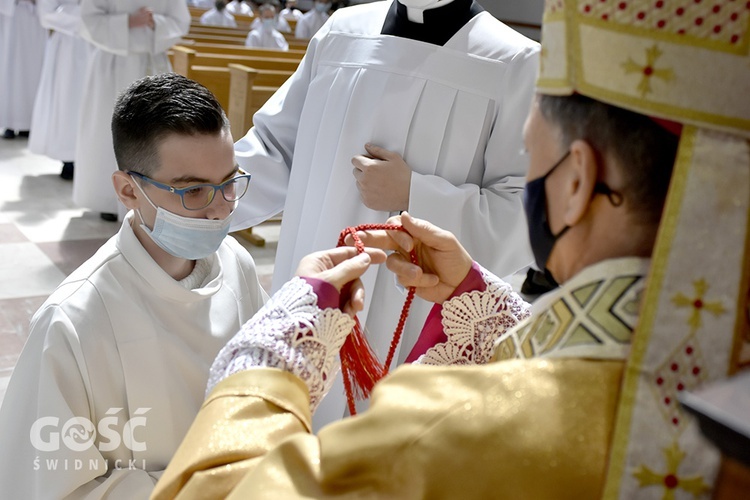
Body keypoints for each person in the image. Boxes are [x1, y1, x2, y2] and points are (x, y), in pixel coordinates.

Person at [151, 0, 750, 496]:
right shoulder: (719, 398)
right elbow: (279, 151)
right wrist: (492, 317)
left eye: (532, 141)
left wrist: (279, 343)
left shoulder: (439, 425)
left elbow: (217, 491)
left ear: (577, 181)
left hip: (391, 311)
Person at [232, 0, 539, 427]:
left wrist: (416, 193)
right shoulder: (342, 31)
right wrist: (201, 194)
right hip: (321, 274)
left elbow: (522, 210)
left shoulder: (515, 60)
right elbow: (276, 147)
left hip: (415, 303)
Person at [0, 73, 269, 498]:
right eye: (193, 191)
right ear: (128, 190)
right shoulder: (71, 322)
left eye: (229, 183)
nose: (220, 210)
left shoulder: (236, 263)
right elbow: (48, 486)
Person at [73, 0, 190, 222]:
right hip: (112, 61)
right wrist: (127, 22)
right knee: (104, 129)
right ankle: (107, 198)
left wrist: (156, 22)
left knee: (153, 133)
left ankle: (150, 198)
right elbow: (87, 20)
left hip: (151, 62)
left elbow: (181, 21)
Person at [28, 0, 93, 181]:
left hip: (98, 45)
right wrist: (87, 19)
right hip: (68, 47)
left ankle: (93, 159)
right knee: (68, 101)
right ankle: (69, 158)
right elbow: (46, 15)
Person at [0, 0, 47, 139]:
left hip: (34, 19)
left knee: (31, 73)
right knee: (10, 72)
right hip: (12, 18)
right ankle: (9, 123)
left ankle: (27, 123)